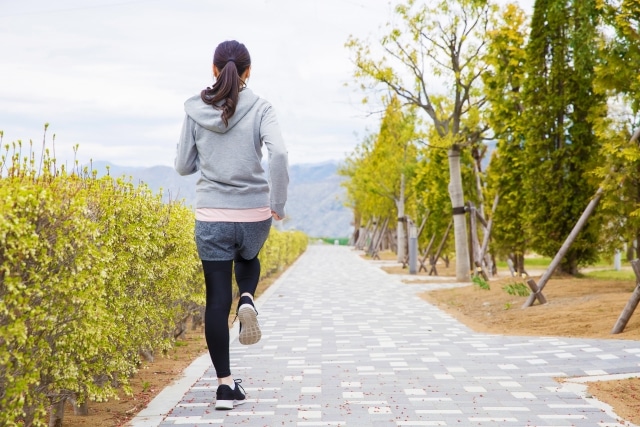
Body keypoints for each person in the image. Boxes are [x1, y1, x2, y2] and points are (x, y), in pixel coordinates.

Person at [174, 40, 288, 410]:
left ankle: (224, 387)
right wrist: (278, 204)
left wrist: (210, 161)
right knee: (249, 257)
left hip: (211, 215)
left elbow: (182, 165)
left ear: (213, 69)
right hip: (254, 213)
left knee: (215, 299)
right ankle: (249, 298)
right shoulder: (261, 107)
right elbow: (280, 154)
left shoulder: (194, 110)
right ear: (248, 72)